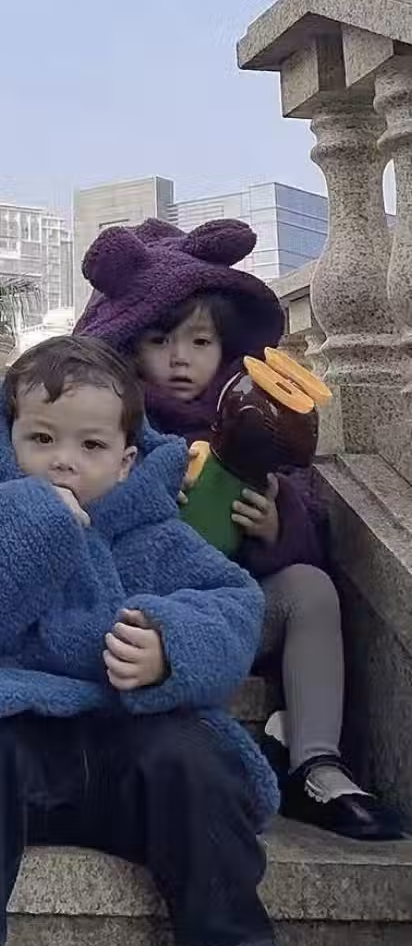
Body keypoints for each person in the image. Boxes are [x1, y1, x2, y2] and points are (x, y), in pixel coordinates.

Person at [0, 336, 297, 946]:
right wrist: (40, 518)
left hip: (124, 747)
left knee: (195, 757)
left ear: (127, 460)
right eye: (41, 438)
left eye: (91, 446)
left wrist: (170, 646)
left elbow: (233, 605)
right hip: (12, 731)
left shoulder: (157, 532)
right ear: (8, 438)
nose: (63, 461)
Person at [75, 216, 403, 842]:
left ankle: (316, 763)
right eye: (160, 339)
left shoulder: (250, 421)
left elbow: (306, 526)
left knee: (309, 588)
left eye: (199, 342)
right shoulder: (102, 420)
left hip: (221, 616)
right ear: (128, 343)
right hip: (126, 620)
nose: (180, 358)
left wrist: (276, 526)